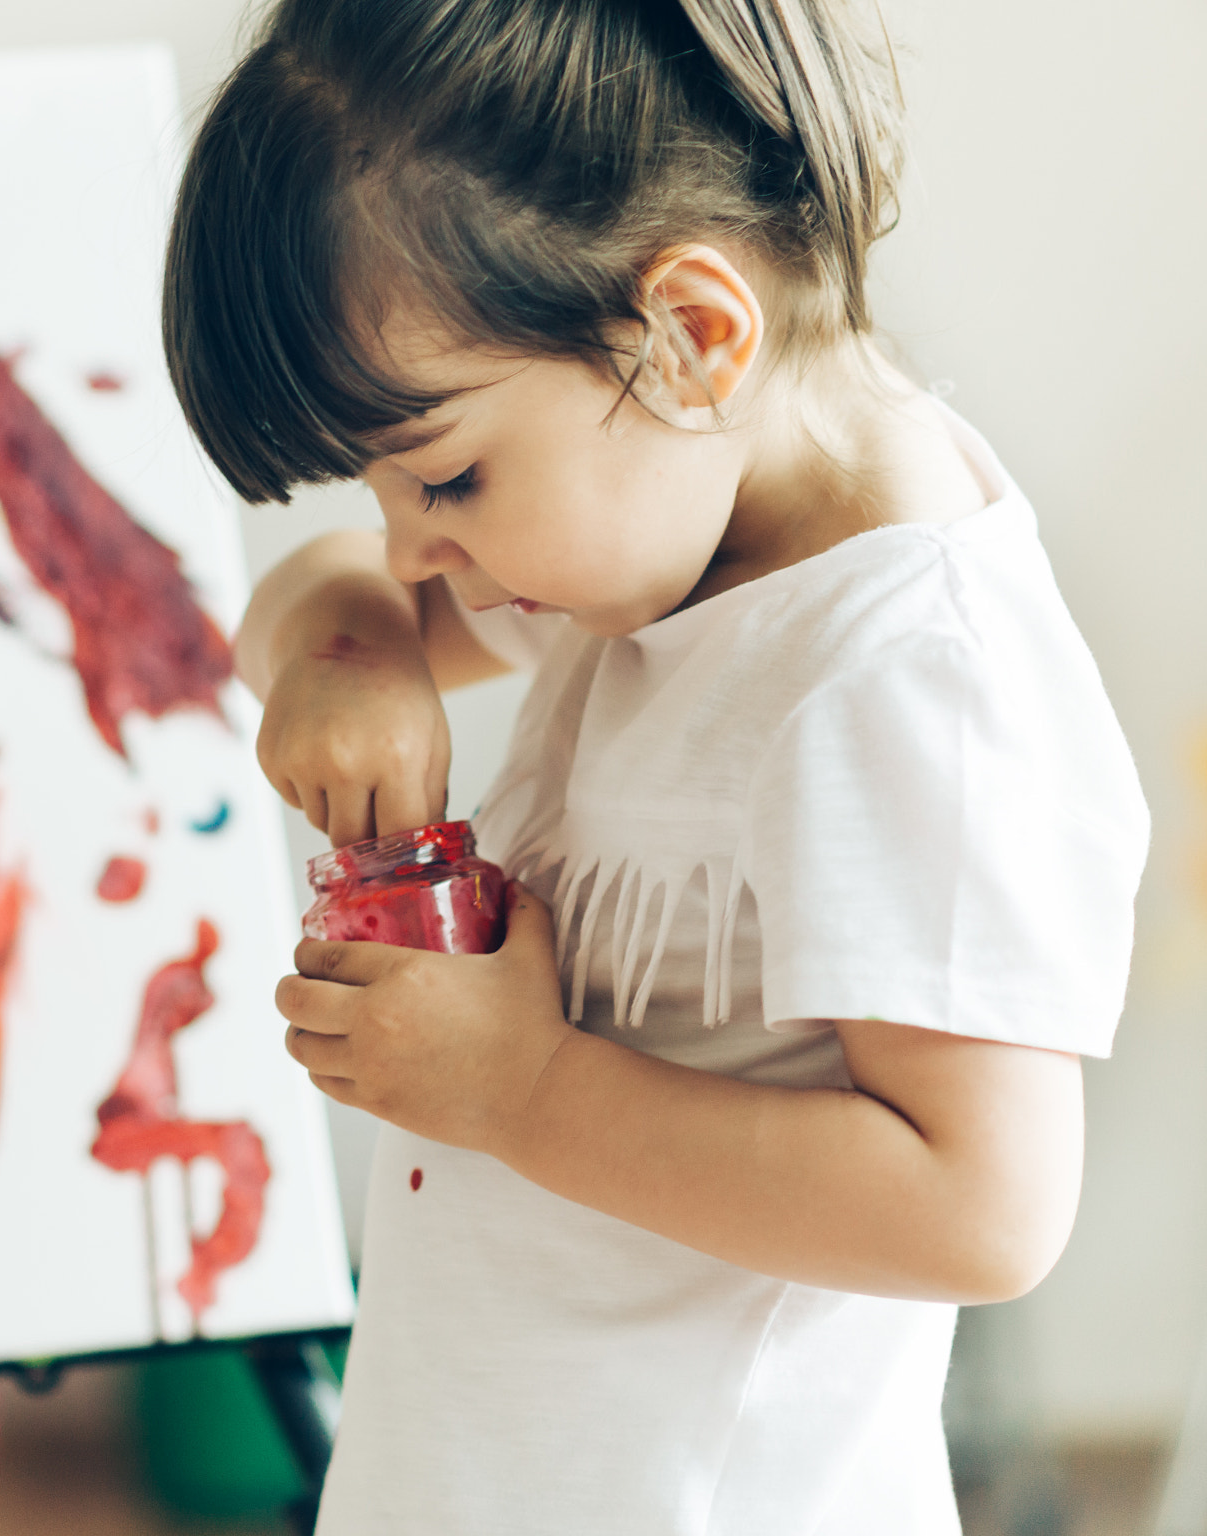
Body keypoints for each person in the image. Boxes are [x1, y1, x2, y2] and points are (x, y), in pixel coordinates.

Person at [160, 0, 1150, 1529]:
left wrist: (525, 1086)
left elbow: (982, 1207)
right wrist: (343, 652)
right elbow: (316, 592)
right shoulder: (669, 529)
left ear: (691, 337)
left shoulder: (903, 675)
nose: (414, 545)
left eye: (445, 476)